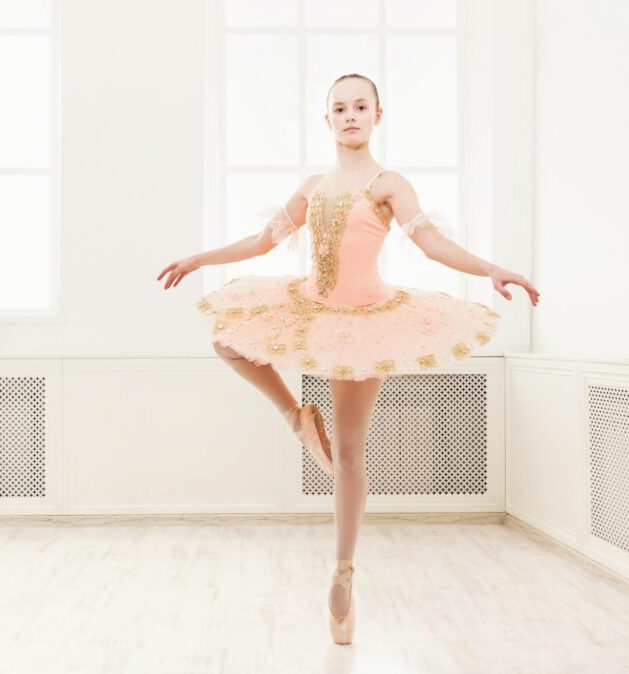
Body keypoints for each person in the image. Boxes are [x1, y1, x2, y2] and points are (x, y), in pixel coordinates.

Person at [157, 73, 540, 644]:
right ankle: (296, 416)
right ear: (328, 119)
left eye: (361, 106)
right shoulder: (315, 187)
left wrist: (490, 269)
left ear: (378, 116)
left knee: (352, 451)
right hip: (311, 306)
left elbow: (431, 243)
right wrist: (198, 257)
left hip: (364, 322)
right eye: (340, 108)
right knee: (228, 340)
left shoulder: (388, 185)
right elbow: (263, 241)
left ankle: (342, 572)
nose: (351, 115)